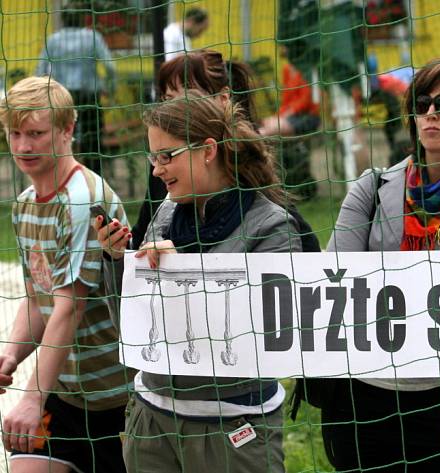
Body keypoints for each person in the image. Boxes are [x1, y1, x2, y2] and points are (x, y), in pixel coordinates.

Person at [324, 59, 440, 472]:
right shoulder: (371, 186)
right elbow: (337, 277)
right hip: (367, 391)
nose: (431, 113)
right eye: (422, 103)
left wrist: (380, 275)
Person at [95, 90, 299, 472]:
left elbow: (265, 333)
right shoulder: (167, 212)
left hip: (231, 423)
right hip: (151, 417)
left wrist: (180, 273)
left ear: (207, 149)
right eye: (153, 157)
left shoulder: (272, 225)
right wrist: (115, 260)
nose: (156, 169)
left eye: (166, 156)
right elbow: (134, 323)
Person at [0, 76, 135, 473]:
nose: (24, 146)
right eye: (15, 133)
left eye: (37, 133)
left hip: (120, 399)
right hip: (67, 393)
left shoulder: (82, 200)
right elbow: (38, 298)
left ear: (67, 130)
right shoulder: (25, 204)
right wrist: (11, 354)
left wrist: (30, 397)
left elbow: (69, 308)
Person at [131, 49, 260, 250]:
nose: (175, 108)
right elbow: (140, 241)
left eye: (188, 96)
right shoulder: (165, 166)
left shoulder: (251, 170)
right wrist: (118, 254)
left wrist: (179, 267)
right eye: (168, 98)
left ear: (223, 98)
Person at [35, 4, 115, 174]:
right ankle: (95, 182)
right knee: (93, 143)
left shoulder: (54, 40)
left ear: (63, 19)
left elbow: (40, 70)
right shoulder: (92, 37)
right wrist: (110, 88)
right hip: (89, 97)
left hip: (61, 98)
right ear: (81, 18)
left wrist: (42, 95)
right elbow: (111, 67)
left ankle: (62, 178)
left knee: (60, 138)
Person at [259, 46, 320, 138]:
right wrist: (279, 115)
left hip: (307, 116)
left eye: (286, 47)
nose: (283, 50)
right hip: (291, 115)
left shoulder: (307, 70)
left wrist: (288, 113)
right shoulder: (286, 69)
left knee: (270, 129)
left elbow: (305, 101)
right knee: (267, 123)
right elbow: (286, 100)